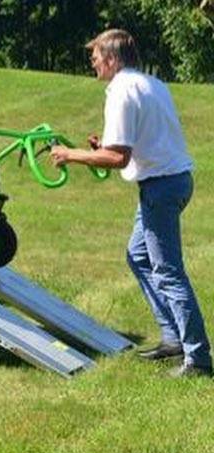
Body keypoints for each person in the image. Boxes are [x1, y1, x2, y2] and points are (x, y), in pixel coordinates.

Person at [50, 29, 211, 378]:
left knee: (168, 272)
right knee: (138, 256)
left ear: (111, 59)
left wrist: (70, 155)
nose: (92, 63)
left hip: (161, 188)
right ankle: (173, 338)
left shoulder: (121, 91)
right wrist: (102, 146)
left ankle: (198, 359)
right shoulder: (152, 83)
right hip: (175, 181)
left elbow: (118, 158)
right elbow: (135, 141)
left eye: (95, 57)